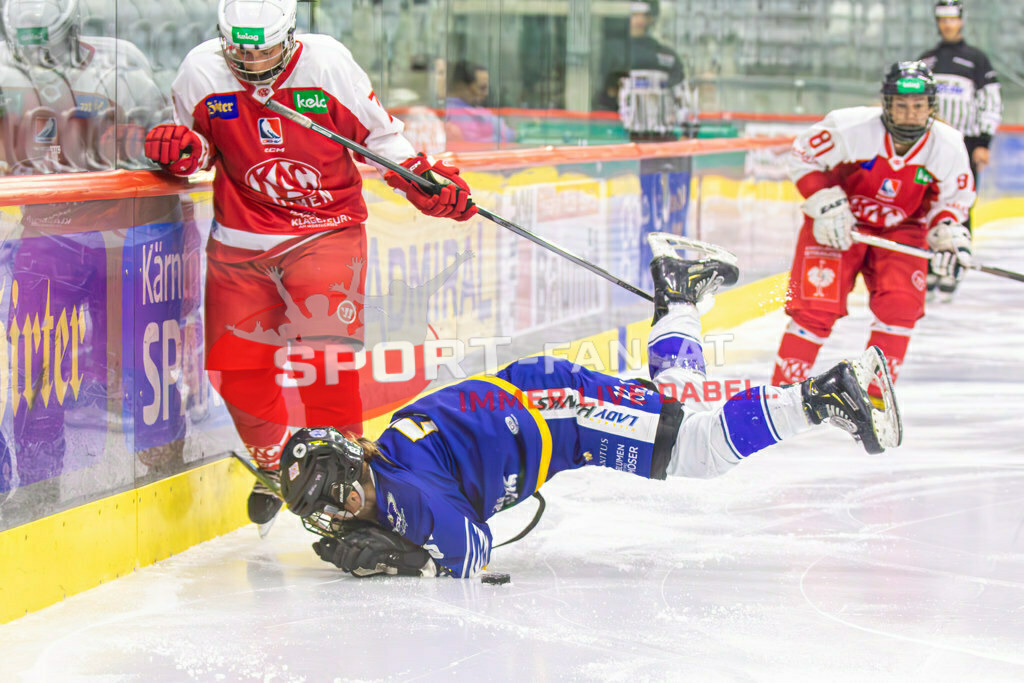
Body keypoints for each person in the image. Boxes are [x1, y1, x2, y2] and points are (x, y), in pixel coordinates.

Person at [274, 252, 903, 579]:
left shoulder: (400, 491)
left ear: (353, 472)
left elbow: (470, 555)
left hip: (559, 412)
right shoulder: (386, 467)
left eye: (335, 498)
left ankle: (826, 395)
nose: (339, 513)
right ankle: (680, 293)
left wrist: (398, 559)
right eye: (324, 508)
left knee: (698, 449)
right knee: (677, 405)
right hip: (545, 410)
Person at [143, 0, 478, 527]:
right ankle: (279, 465)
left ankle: (347, 478)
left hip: (325, 230)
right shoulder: (200, 71)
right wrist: (181, 151)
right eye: (241, 52)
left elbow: (380, 140)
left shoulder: (327, 64)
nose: (254, 63)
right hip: (240, 240)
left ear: (291, 35)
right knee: (235, 371)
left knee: (325, 359)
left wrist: (423, 182)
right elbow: (199, 150)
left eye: (266, 51)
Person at [772, 61, 975, 395]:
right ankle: (780, 395)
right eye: (901, 105)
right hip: (839, 224)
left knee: (901, 307)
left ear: (931, 107)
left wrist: (946, 234)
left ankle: (875, 400)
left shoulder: (948, 145)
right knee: (814, 309)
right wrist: (825, 201)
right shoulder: (850, 127)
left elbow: (952, 201)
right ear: (887, 104)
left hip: (902, 228)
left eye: (919, 106)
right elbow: (803, 156)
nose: (910, 114)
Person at [919, 0, 1001, 299]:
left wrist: (983, 143)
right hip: (929, 146)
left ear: (961, 21)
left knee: (959, 205)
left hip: (965, 144)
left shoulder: (977, 60)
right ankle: (927, 266)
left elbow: (990, 102)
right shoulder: (926, 60)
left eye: (952, 19)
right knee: (924, 204)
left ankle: (953, 266)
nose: (947, 25)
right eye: (942, 20)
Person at [604, 0, 690, 141]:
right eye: (634, 14)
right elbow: (609, 95)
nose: (638, 20)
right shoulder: (617, 55)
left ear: (651, 18)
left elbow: (681, 96)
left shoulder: (666, 56)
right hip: (631, 135)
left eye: (642, 14)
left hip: (662, 135)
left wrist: (687, 131)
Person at [444, 60, 515, 148]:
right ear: (461, 87)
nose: (486, 93)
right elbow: (508, 135)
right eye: (482, 88)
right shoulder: (460, 115)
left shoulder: (477, 112)